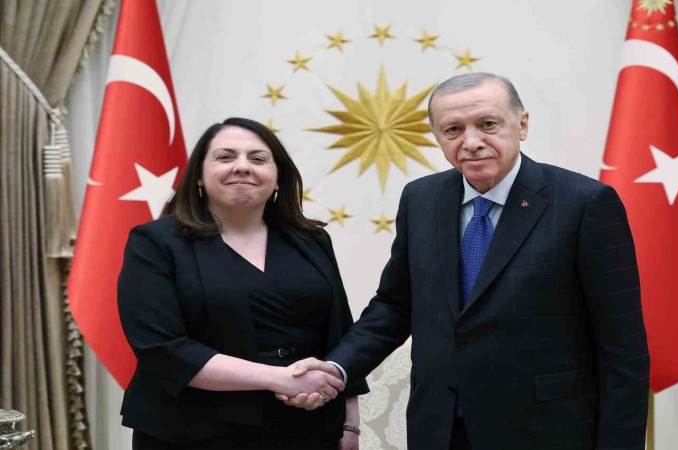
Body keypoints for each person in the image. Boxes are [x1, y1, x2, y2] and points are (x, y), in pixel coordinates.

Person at [280, 73, 650, 449]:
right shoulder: (421, 199)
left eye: (487, 124)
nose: (471, 143)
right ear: (438, 137)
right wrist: (336, 368)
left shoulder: (584, 203)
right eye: (453, 129)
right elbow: (395, 306)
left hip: (544, 431)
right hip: (440, 428)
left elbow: (622, 348)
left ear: (522, 125)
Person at [117, 117, 368, 450]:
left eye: (258, 158)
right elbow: (162, 348)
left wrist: (349, 421)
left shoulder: (312, 240)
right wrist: (281, 379)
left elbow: (339, 332)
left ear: (277, 177)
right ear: (199, 176)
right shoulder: (155, 242)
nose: (242, 166)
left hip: (308, 425)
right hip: (190, 430)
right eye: (225, 157)